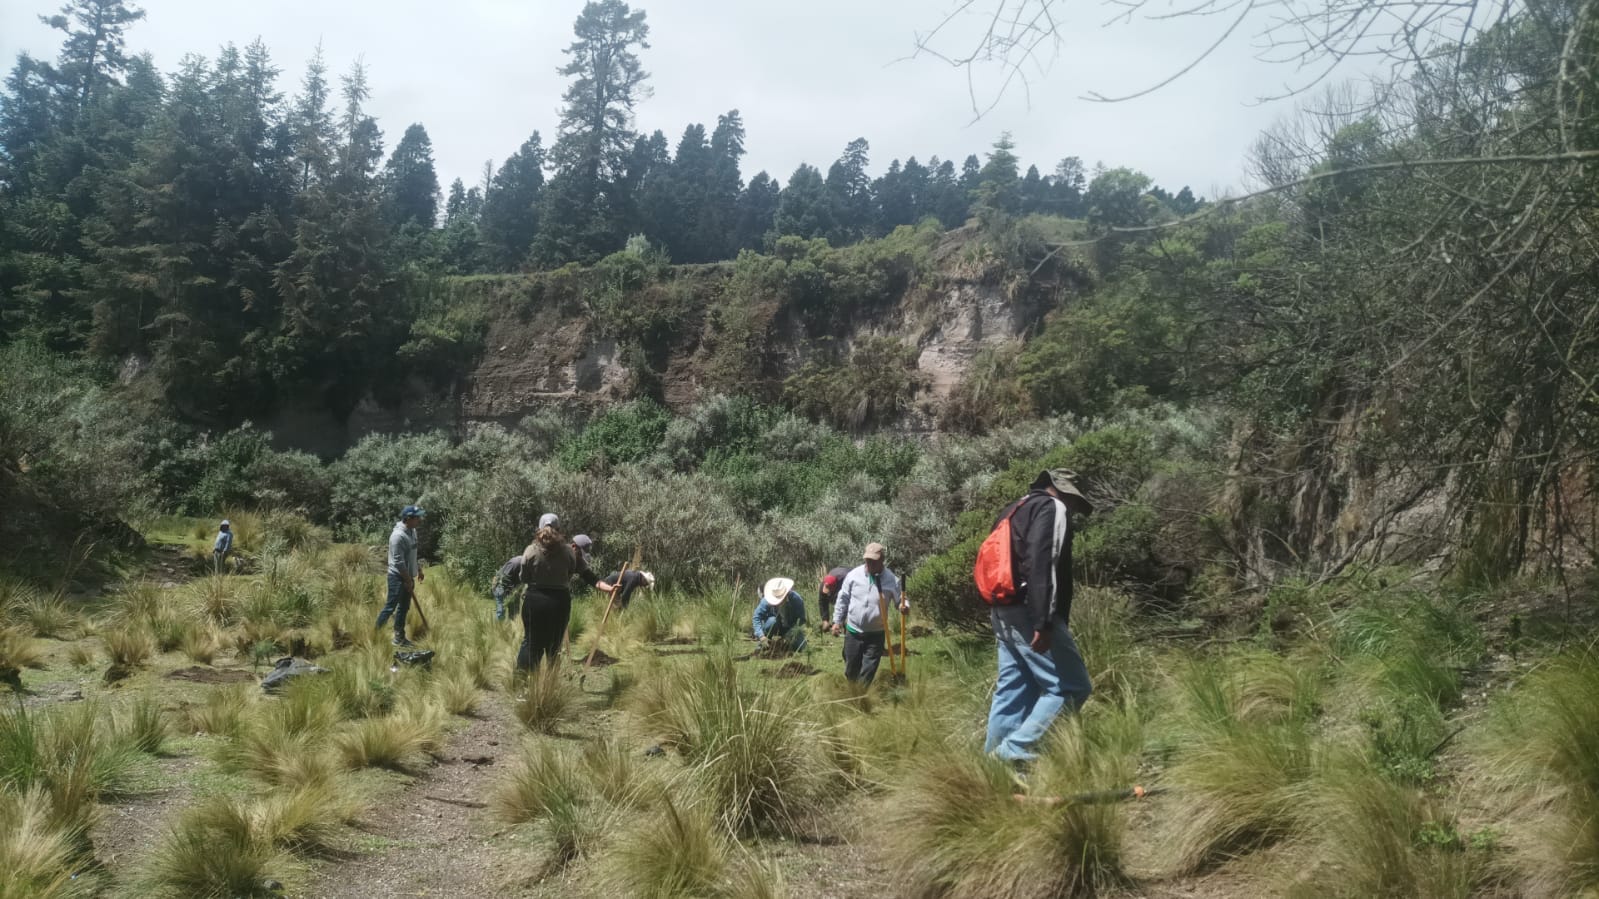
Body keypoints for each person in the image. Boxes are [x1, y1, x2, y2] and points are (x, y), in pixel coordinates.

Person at [983, 469, 1095, 769]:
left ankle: (992, 771)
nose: (1072, 509)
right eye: (1072, 500)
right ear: (1058, 489)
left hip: (1002, 609)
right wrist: (1043, 620)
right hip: (1030, 611)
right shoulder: (1051, 507)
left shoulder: (1013, 509)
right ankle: (1012, 753)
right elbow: (1043, 560)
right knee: (1071, 687)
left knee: (1014, 690)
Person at [516, 520, 613, 670]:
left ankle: (523, 681)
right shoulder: (569, 552)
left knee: (531, 642)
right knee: (554, 645)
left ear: (540, 528)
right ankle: (551, 683)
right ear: (558, 529)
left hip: (535, 601)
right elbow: (590, 577)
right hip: (559, 602)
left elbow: (523, 577)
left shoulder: (530, 550)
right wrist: (611, 589)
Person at [830, 543, 905, 684]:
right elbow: (843, 599)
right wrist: (837, 621)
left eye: (873, 561)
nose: (869, 564)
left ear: (882, 560)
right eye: (867, 560)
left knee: (867, 672)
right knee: (851, 670)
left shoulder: (891, 580)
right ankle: (853, 691)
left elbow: (901, 600)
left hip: (876, 635)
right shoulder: (853, 576)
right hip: (853, 631)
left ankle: (861, 699)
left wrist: (904, 606)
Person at [375, 506, 426, 647]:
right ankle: (375, 635)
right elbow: (398, 561)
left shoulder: (412, 531)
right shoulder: (397, 536)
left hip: (408, 576)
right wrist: (407, 579)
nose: (420, 520)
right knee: (390, 607)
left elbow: (411, 554)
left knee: (404, 607)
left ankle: (399, 638)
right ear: (408, 519)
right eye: (417, 517)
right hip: (397, 577)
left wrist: (418, 570)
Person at [753, 577, 808, 652]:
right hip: (774, 625)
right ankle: (763, 642)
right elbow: (756, 617)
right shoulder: (766, 600)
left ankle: (789, 642)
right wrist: (761, 636)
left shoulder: (797, 600)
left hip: (791, 628)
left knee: (802, 647)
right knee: (772, 621)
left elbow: (802, 619)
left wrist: (791, 633)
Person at [490, 555, 523, 623]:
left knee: (515, 612)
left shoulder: (529, 565)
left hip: (514, 588)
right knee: (501, 611)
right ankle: (497, 629)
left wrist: (519, 591)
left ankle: (513, 630)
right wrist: (512, 591)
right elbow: (504, 578)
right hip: (501, 587)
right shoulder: (515, 563)